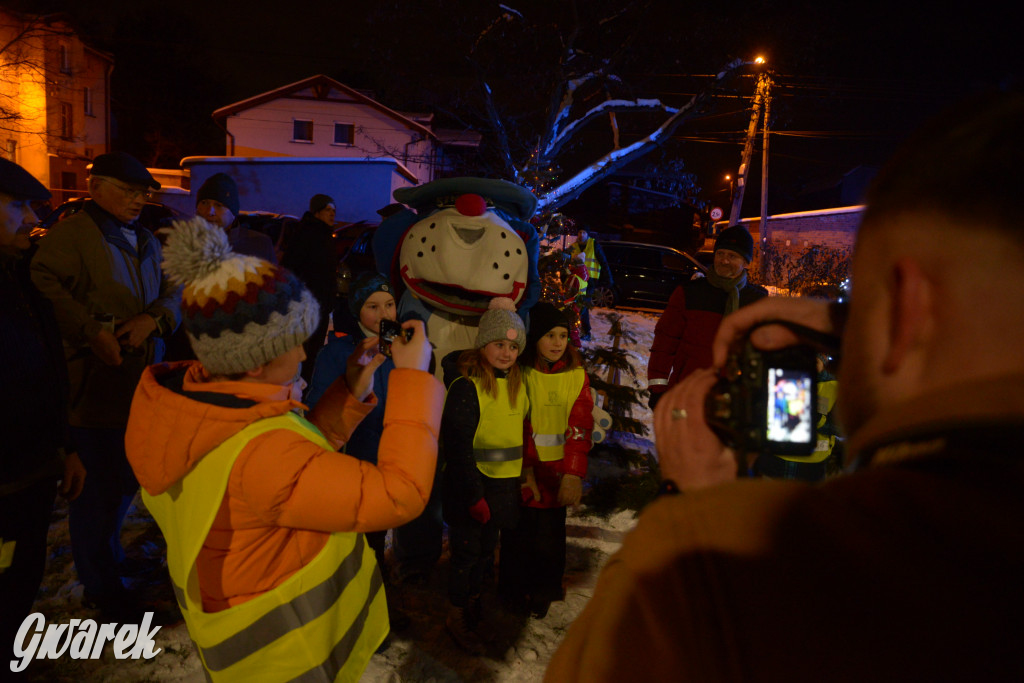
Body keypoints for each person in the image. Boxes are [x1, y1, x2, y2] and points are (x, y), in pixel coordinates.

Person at [545, 93, 1024, 682]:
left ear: (909, 304)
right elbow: (666, 342)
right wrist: (664, 385)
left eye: (865, 303)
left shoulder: (721, 584)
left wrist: (687, 514)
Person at [125, 217, 443, 681]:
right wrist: (414, 378)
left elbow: (296, 467)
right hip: (284, 656)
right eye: (293, 344)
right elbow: (399, 493)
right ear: (254, 364)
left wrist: (352, 385)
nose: (302, 355)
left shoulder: (201, 409)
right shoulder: (260, 453)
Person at [30, 151, 179, 620]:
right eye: (129, 191)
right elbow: (42, 284)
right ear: (95, 189)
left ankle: (110, 559)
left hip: (138, 387)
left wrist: (151, 320)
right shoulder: (73, 234)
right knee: (94, 491)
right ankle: (101, 587)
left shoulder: (146, 240)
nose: (140, 200)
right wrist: (90, 331)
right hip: (92, 387)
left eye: (143, 193)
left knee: (121, 482)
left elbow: (173, 293)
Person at [0, 158, 86, 669]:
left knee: (21, 575)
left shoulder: (21, 277)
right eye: (16, 206)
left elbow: (47, 369)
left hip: (30, 472)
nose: (29, 217)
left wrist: (66, 446)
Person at [305, 271, 411, 629]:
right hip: (356, 459)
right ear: (356, 310)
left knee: (378, 537)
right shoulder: (338, 351)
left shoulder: (406, 346)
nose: (384, 314)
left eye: (390, 304)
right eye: (372, 306)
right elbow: (320, 405)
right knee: (360, 541)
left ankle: (375, 607)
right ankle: (360, 614)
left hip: (394, 454)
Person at [441, 297, 530, 654]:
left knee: (483, 556)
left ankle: (474, 609)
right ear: (483, 345)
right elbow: (459, 447)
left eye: (513, 346)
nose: (506, 353)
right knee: (465, 555)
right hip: (471, 490)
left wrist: (521, 482)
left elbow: (516, 438)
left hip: (501, 488)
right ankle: (456, 614)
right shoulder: (467, 387)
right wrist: (474, 495)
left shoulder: (516, 385)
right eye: (499, 344)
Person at [499, 302, 592, 618]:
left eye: (563, 335)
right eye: (549, 335)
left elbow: (580, 428)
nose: (557, 343)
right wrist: (522, 469)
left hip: (556, 476)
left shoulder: (577, 377)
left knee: (550, 538)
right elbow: (516, 423)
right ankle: (512, 588)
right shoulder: (520, 372)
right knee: (517, 535)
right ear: (534, 337)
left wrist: (573, 474)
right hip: (524, 472)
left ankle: (543, 589)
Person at [646, 224, 768, 409]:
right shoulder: (689, 293)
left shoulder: (758, 302)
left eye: (732, 256)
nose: (724, 260)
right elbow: (664, 343)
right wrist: (658, 389)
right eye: (720, 253)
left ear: (746, 262)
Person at [282, 193, 339, 383]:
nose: (332, 214)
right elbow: (291, 268)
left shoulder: (325, 235)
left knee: (312, 349)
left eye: (334, 211)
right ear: (317, 212)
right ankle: (297, 387)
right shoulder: (306, 234)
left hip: (320, 305)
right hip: (307, 306)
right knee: (303, 351)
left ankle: (303, 386)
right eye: (328, 210)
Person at [756, 351, 839, 481]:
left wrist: (817, 420)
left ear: (823, 364)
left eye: (814, 361)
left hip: (813, 462)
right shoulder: (781, 379)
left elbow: (841, 428)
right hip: (777, 457)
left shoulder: (834, 386)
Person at [195, 172, 277, 263]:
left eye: (218, 205)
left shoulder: (259, 244)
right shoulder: (183, 244)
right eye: (204, 203)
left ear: (233, 212)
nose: (210, 212)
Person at [568, 228, 610, 341]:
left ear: (588, 234)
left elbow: (603, 261)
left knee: (583, 305)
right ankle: (574, 330)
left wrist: (608, 278)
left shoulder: (594, 244)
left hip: (590, 280)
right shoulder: (573, 246)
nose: (581, 235)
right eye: (579, 232)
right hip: (576, 280)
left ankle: (586, 332)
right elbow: (567, 262)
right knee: (574, 304)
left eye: (584, 232)